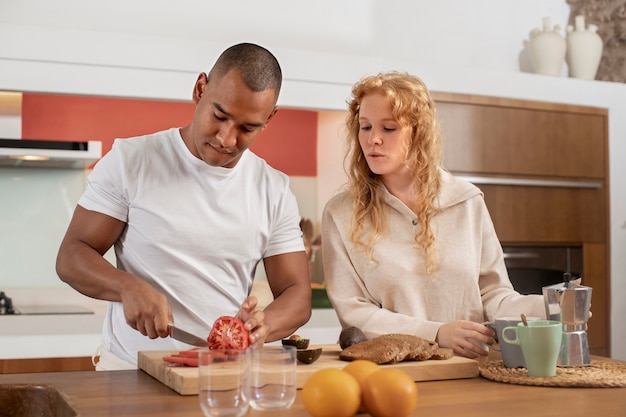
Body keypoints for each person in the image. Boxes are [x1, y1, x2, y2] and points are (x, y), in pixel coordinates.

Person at [56, 43, 312, 369]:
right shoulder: (131, 161)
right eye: (219, 116)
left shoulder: (273, 189)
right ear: (200, 89)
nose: (226, 138)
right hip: (129, 372)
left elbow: (297, 294)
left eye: (247, 128)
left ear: (269, 119)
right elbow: (72, 255)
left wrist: (262, 326)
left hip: (220, 377)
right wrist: (127, 287)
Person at [321, 71, 546, 359]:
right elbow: (354, 313)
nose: (373, 139)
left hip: (473, 370)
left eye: (388, 128)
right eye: (365, 127)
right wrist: (437, 333)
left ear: (419, 132)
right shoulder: (341, 213)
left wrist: (550, 306)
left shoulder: (467, 201)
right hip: (393, 375)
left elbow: (493, 296)